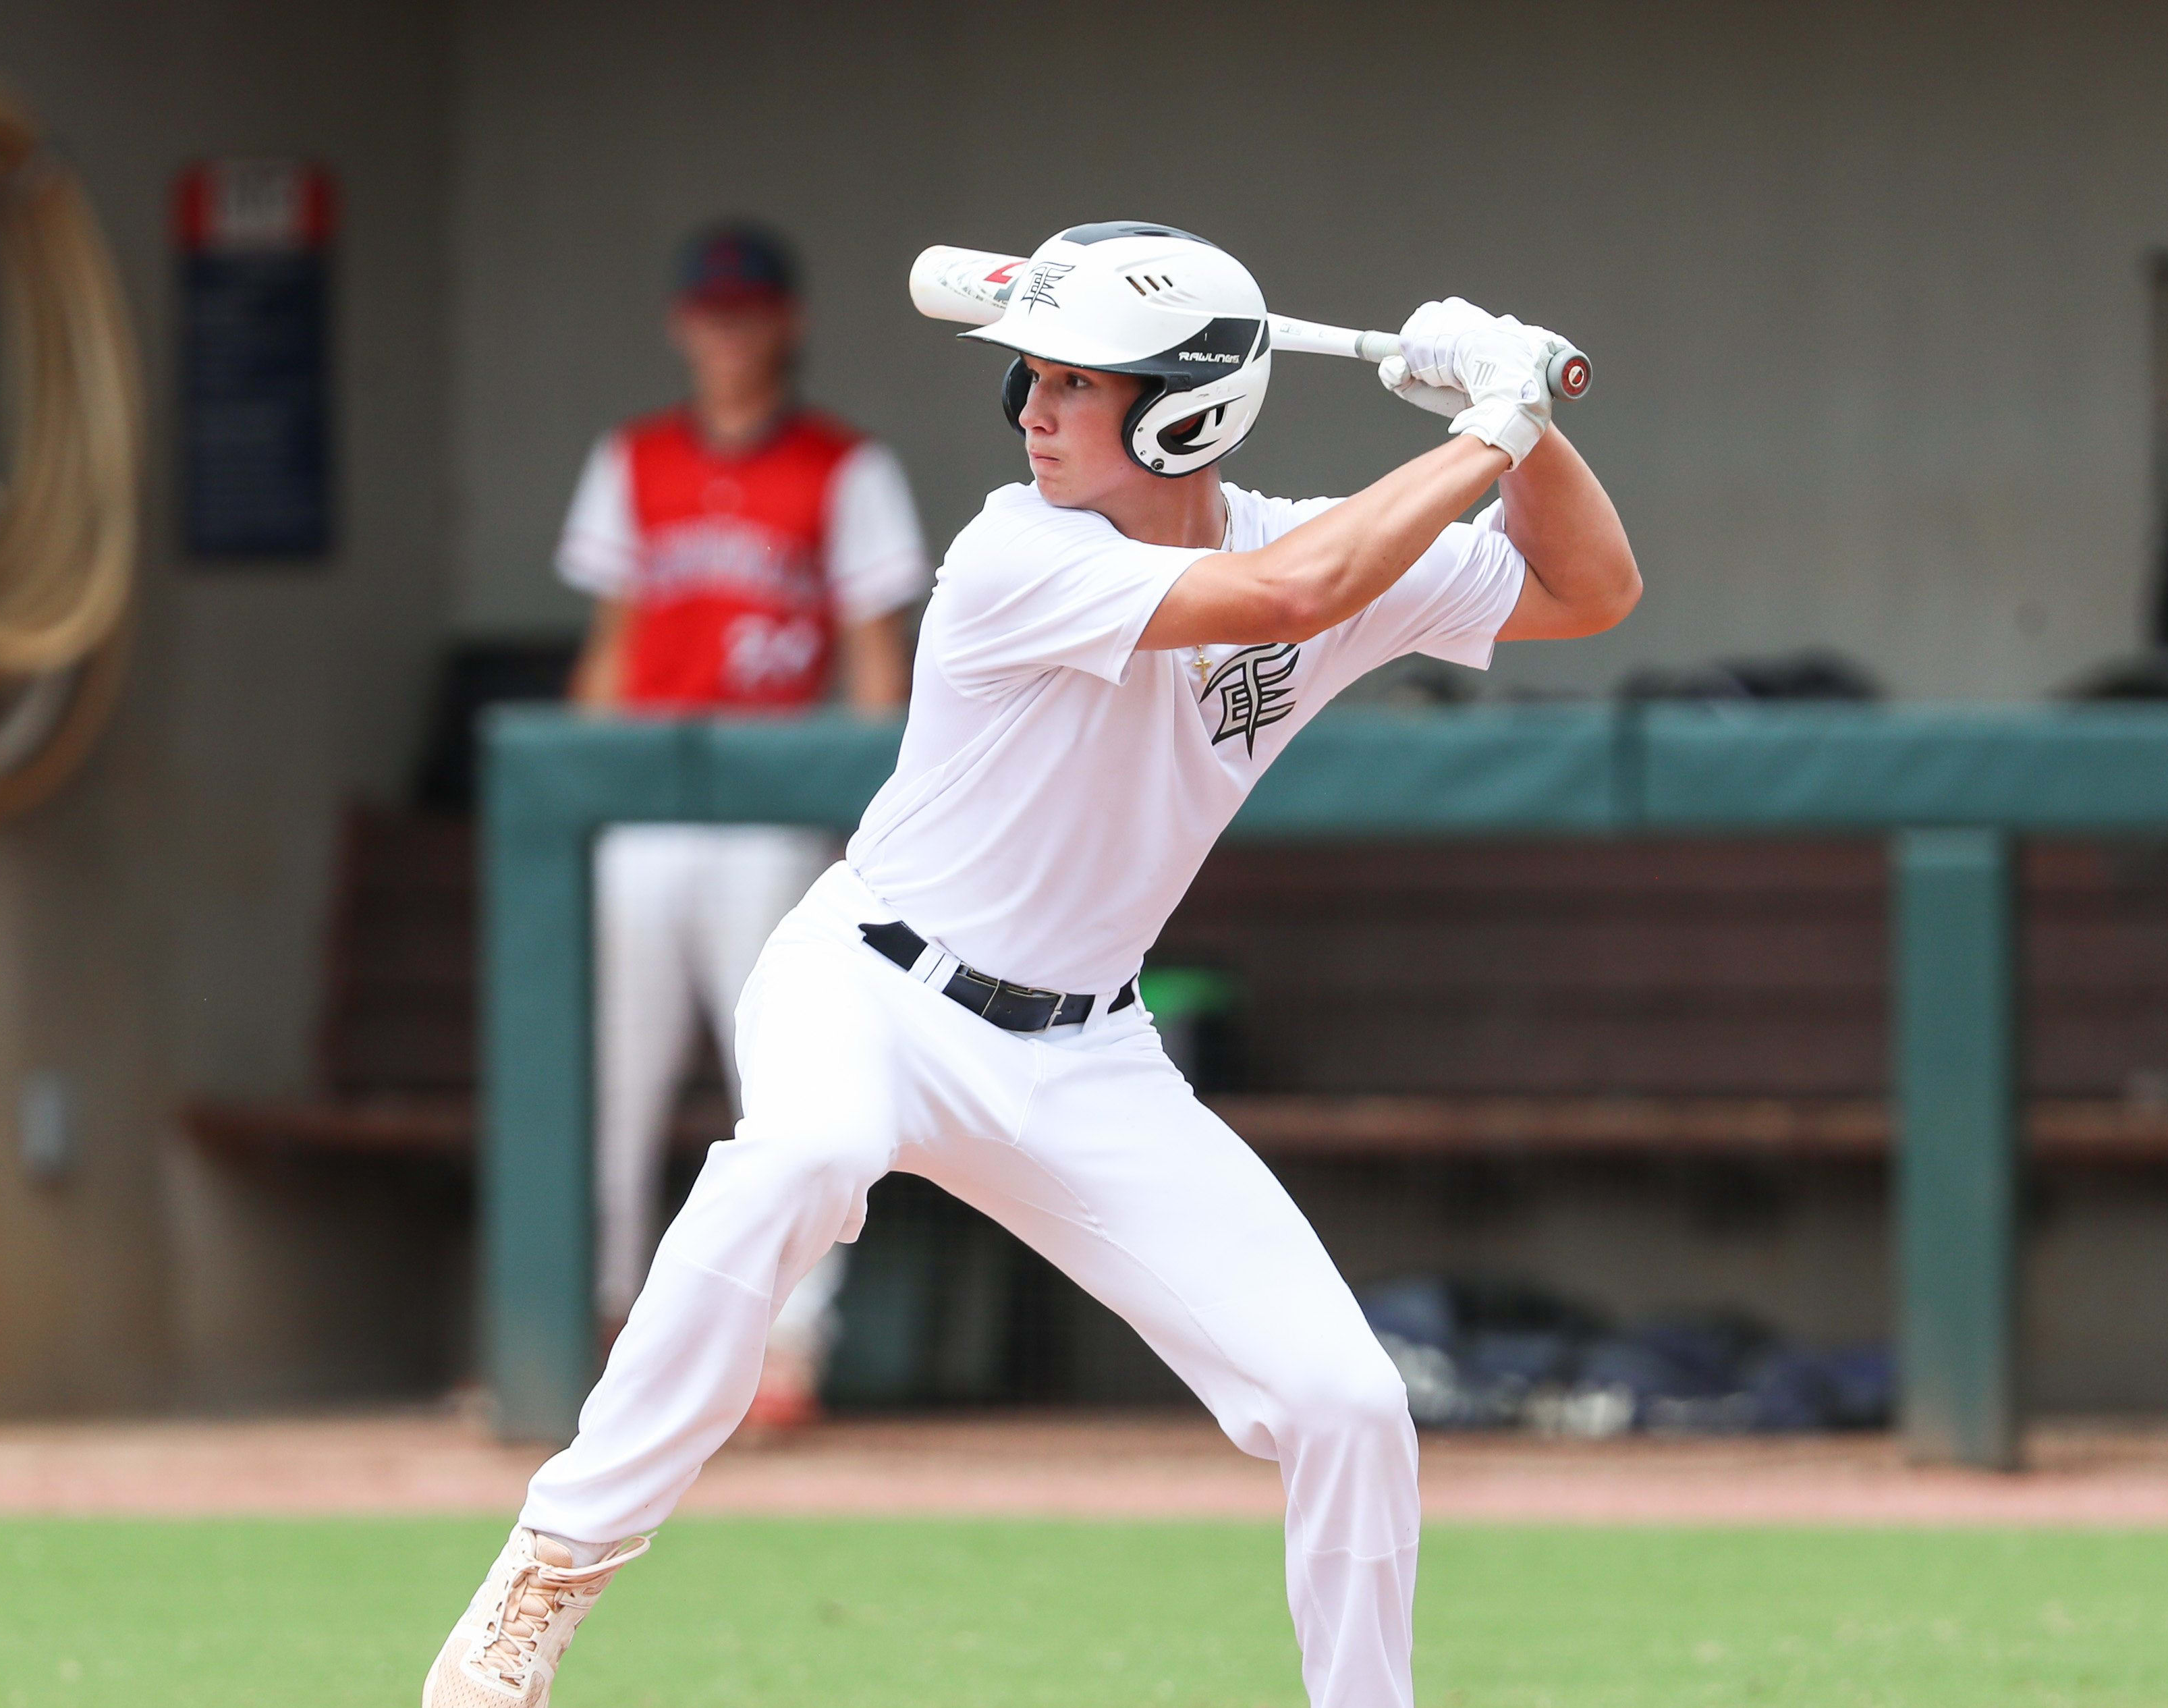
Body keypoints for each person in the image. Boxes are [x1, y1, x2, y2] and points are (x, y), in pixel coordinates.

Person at [427, 221, 1640, 1708]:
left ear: (1185, 413)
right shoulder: (1018, 549)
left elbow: (1587, 591)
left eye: (1076, 384)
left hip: (1085, 1053)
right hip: (871, 984)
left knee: (1347, 1401)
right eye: (1033, 375)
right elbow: (1283, 603)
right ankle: (549, 1565)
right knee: (803, 1152)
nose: (1032, 413)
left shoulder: (1318, 539)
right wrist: (1488, 423)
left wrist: (1529, 438)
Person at [557, 220, 928, 1423]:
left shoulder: (844, 466)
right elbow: (612, 647)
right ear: (682, 324)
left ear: (788, 320)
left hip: (770, 809)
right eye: (709, 313)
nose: (727, 332)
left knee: (785, 1085)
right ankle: (604, 1330)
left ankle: (787, 1354)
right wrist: (576, 795)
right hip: (646, 808)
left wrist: (860, 822)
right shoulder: (635, 457)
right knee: (608, 1084)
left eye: (748, 311)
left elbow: (880, 664)